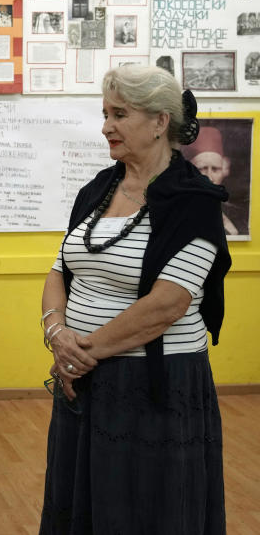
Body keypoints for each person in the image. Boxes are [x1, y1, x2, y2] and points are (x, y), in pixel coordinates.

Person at [39, 65, 230, 534]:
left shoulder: (194, 200)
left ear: (160, 121)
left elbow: (168, 304)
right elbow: (59, 270)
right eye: (105, 113)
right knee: (80, 504)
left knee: (145, 513)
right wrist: (56, 334)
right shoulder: (97, 189)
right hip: (83, 379)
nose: (106, 126)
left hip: (154, 387)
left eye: (120, 114)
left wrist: (78, 354)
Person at [181, 126, 248, 236]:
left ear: (225, 170)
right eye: (202, 168)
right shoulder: (182, 212)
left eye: (215, 169)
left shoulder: (238, 213)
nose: (209, 177)